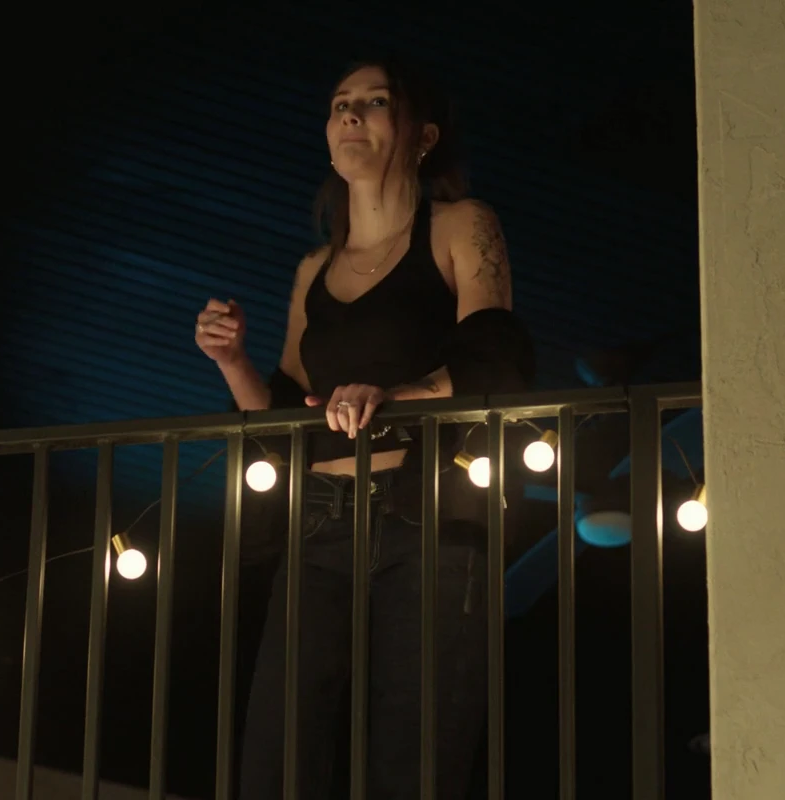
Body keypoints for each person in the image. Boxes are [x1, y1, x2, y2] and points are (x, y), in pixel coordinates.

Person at [191, 58, 534, 799]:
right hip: (317, 518)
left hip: (430, 511)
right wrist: (231, 360)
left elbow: (498, 358)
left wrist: (397, 395)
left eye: (376, 102)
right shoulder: (314, 268)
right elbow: (284, 413)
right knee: (277, 754)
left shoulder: (461, 225)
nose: (351, 114)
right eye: (340, 103)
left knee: (416, 748)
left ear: (422, 135)